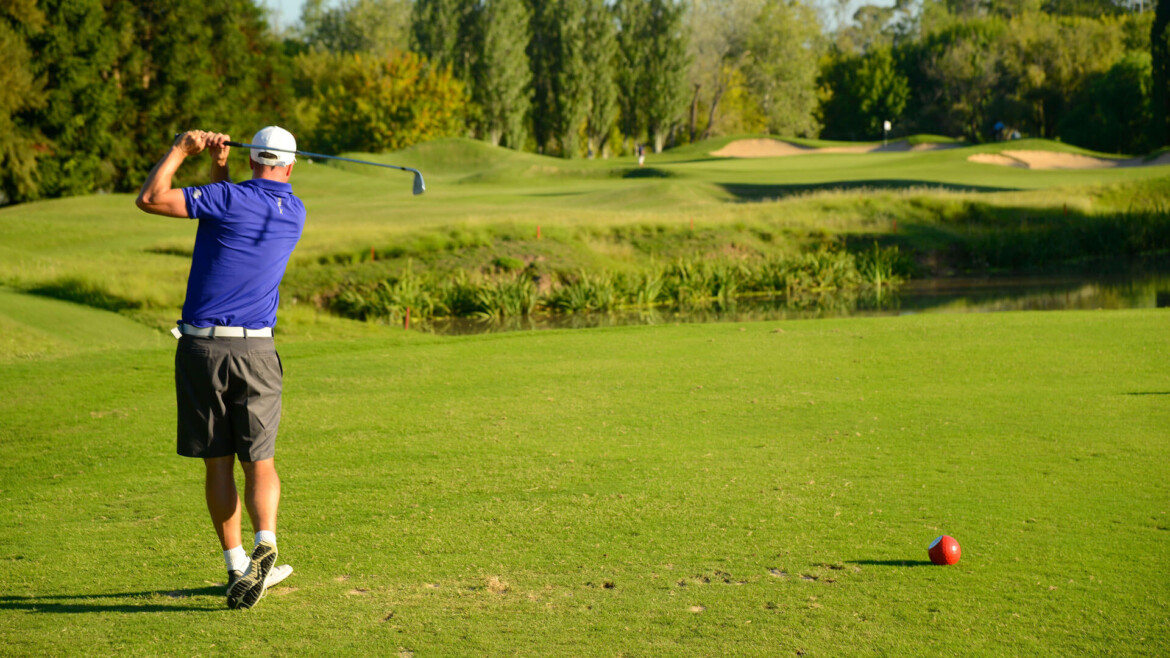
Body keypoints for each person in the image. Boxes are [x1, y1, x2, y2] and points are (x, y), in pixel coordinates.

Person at [136, 127, 306, 610]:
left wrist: (183, 149)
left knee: (218, 461)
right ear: (290, 168)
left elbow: (150, 198)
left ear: (252, 160)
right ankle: (265, 542)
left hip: (202, 350)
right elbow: (230, 207)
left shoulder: (225, 197)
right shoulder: (295, 211)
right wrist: (221, 168)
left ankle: (235, 565)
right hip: (256, 352)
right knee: (260, 461)